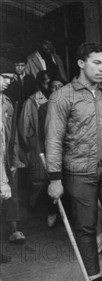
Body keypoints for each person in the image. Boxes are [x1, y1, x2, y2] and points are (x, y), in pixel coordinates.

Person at [45, 42, 102, 281]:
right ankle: (94, 278)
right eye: (96, 63)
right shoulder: (62, 96)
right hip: (78, 171)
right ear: (81, 63)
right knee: (85, 227)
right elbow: (53, 139)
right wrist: (54, 178)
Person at [18, 71, 63, 226]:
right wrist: (30, 151)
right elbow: (24, 130)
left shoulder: (66, 102)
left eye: (59, 86)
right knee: (38, 182)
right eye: (49, 85)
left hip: (60, 151)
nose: (54, 89)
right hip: (40, 149)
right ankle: (33, 214)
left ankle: (55, 214)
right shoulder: (34, 102)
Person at [0, 71, 27, 246]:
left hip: (5, 157)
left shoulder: (6, 103)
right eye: (4, 77)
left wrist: (14, 160)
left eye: (10, 78)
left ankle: (14, 230)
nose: (8, 82)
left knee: (12, 194)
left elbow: (13, 136)